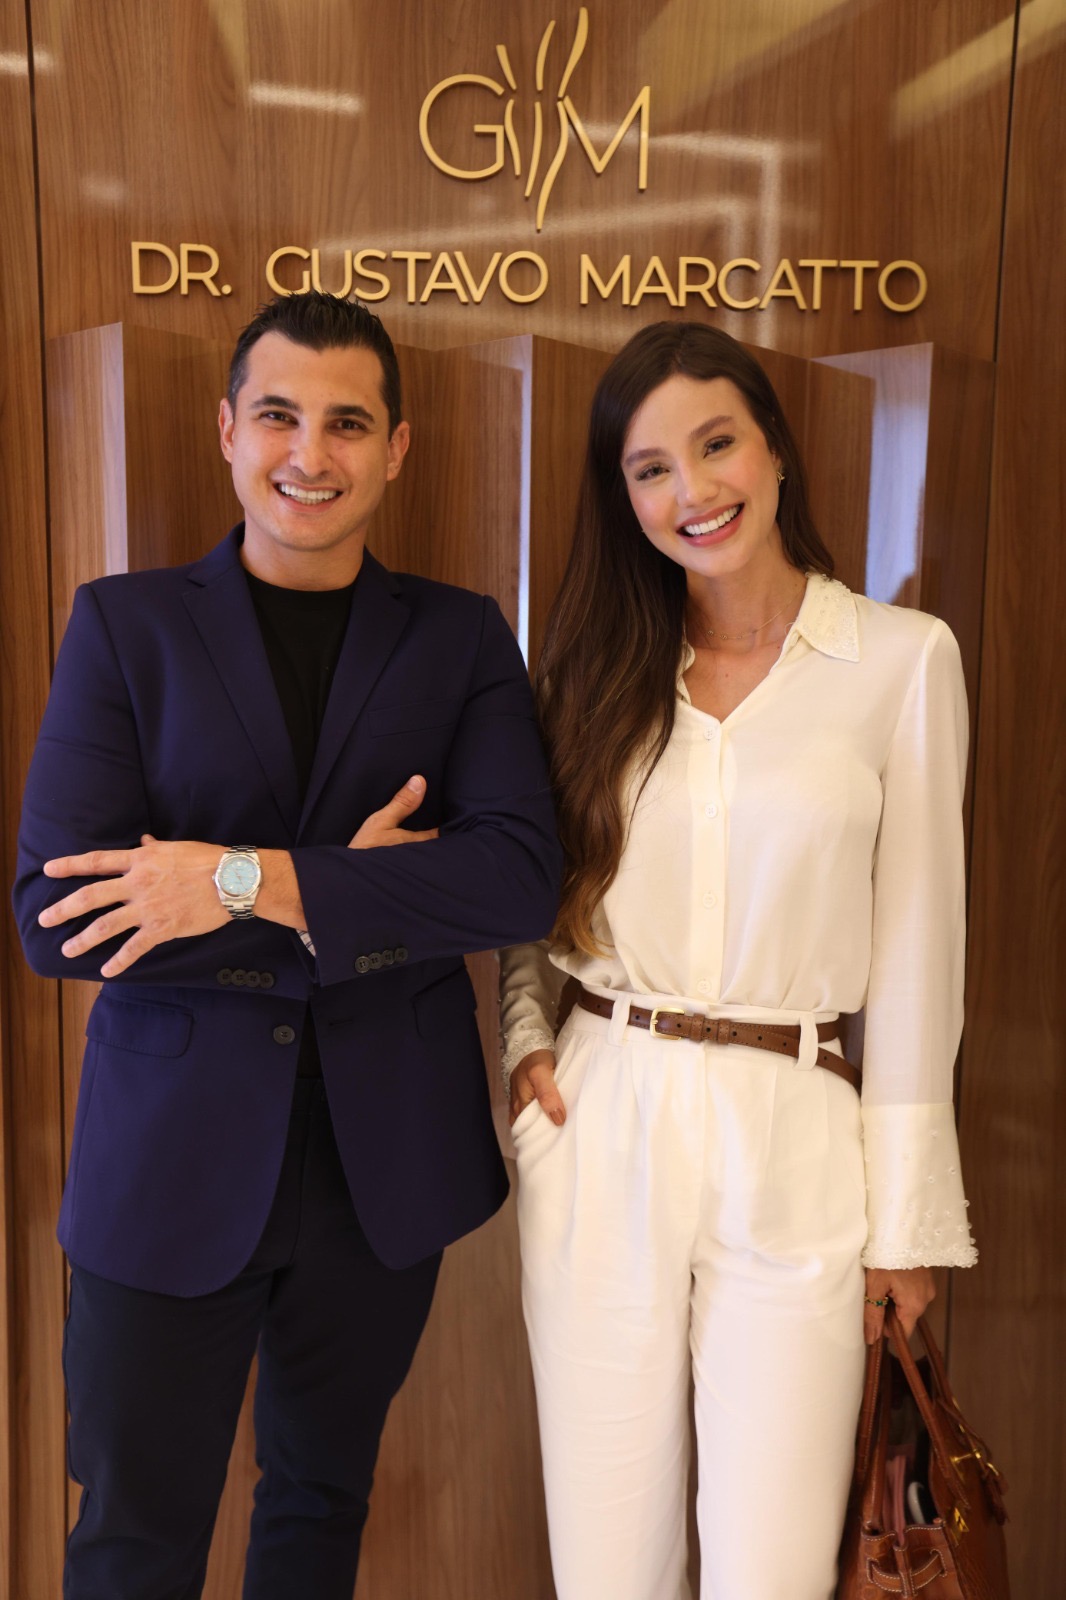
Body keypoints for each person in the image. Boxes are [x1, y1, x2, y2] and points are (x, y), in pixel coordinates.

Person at [14, 291, 560, 1600]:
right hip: (168, 1165)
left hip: (381, 1171)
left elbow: (516, 881)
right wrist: (365, 898)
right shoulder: (126, 627)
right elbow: (55, 914)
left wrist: (237, 881)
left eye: (347, 423)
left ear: (396, 448)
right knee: (131, 1540)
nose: (310, 454)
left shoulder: (459, 636)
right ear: (227, 430)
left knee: (321, 1508)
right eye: (278, 416)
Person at [498, 321, 977, 1600]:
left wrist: (906, 1224)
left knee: (773, 1567)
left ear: (774, 450)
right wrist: (526, 1038)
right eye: (650, 468)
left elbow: (920, 953)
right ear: (623, 496)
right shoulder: (589, 670)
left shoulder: (900, 660)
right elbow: (531, 892)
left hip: (796, 1130)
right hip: (603, 1114)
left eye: (715, 445)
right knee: (606, 1564)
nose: (692, 490)